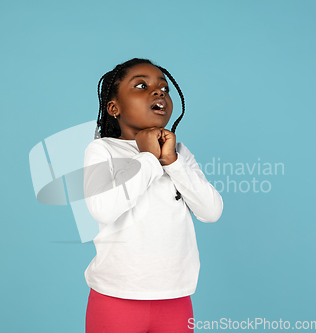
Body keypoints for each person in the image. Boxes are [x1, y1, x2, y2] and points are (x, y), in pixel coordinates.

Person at [83, 58, 223, 333]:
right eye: (142, 86)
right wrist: (148, 157)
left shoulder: (179, 154)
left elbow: (211, 212)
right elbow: (102, 209)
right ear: (114, 108)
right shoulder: (103, 151)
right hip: (116, 297)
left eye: (164, 88)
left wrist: (171, 162)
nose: (159, 92)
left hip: (176, 296)